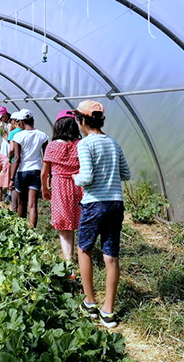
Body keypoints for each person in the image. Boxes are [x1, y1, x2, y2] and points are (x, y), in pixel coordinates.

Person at [73, 100, 131, 329]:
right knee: (111, 255)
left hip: (94, 204)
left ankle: (90, 303)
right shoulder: (114, 143)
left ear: (82, 121)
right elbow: (126, 174)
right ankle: (108, 311)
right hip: (115, 203)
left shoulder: (85, 144)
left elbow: (86, 178)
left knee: (84, 249)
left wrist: (75, 178)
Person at [41, 110, 83, 280]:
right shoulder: (81, 144)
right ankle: (84, 256)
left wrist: (45, 189)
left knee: (65, 227)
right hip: (79, 185)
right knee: (81, 223)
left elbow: (44, 173)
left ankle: (69, 263)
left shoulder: (52, 146)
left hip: (60, 187)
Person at [9, 109, 49, 228]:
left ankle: (21, 230)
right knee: (33, 205)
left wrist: (11, 178)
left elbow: (16, 158)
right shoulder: (42, 135)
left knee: (22, 203)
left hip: (22, 171)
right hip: (36, 170)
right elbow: (46, 157)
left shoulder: (18, 136)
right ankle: (32, 231)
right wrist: (48, 176)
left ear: (21, 122)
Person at [7, 114, 25, 212]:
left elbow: (11, 149)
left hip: (15, 161)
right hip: (25, 162)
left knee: (14, 184)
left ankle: (14, 208)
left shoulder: (13, 133)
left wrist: (9, 158)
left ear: (14, 121)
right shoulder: (25, 132)